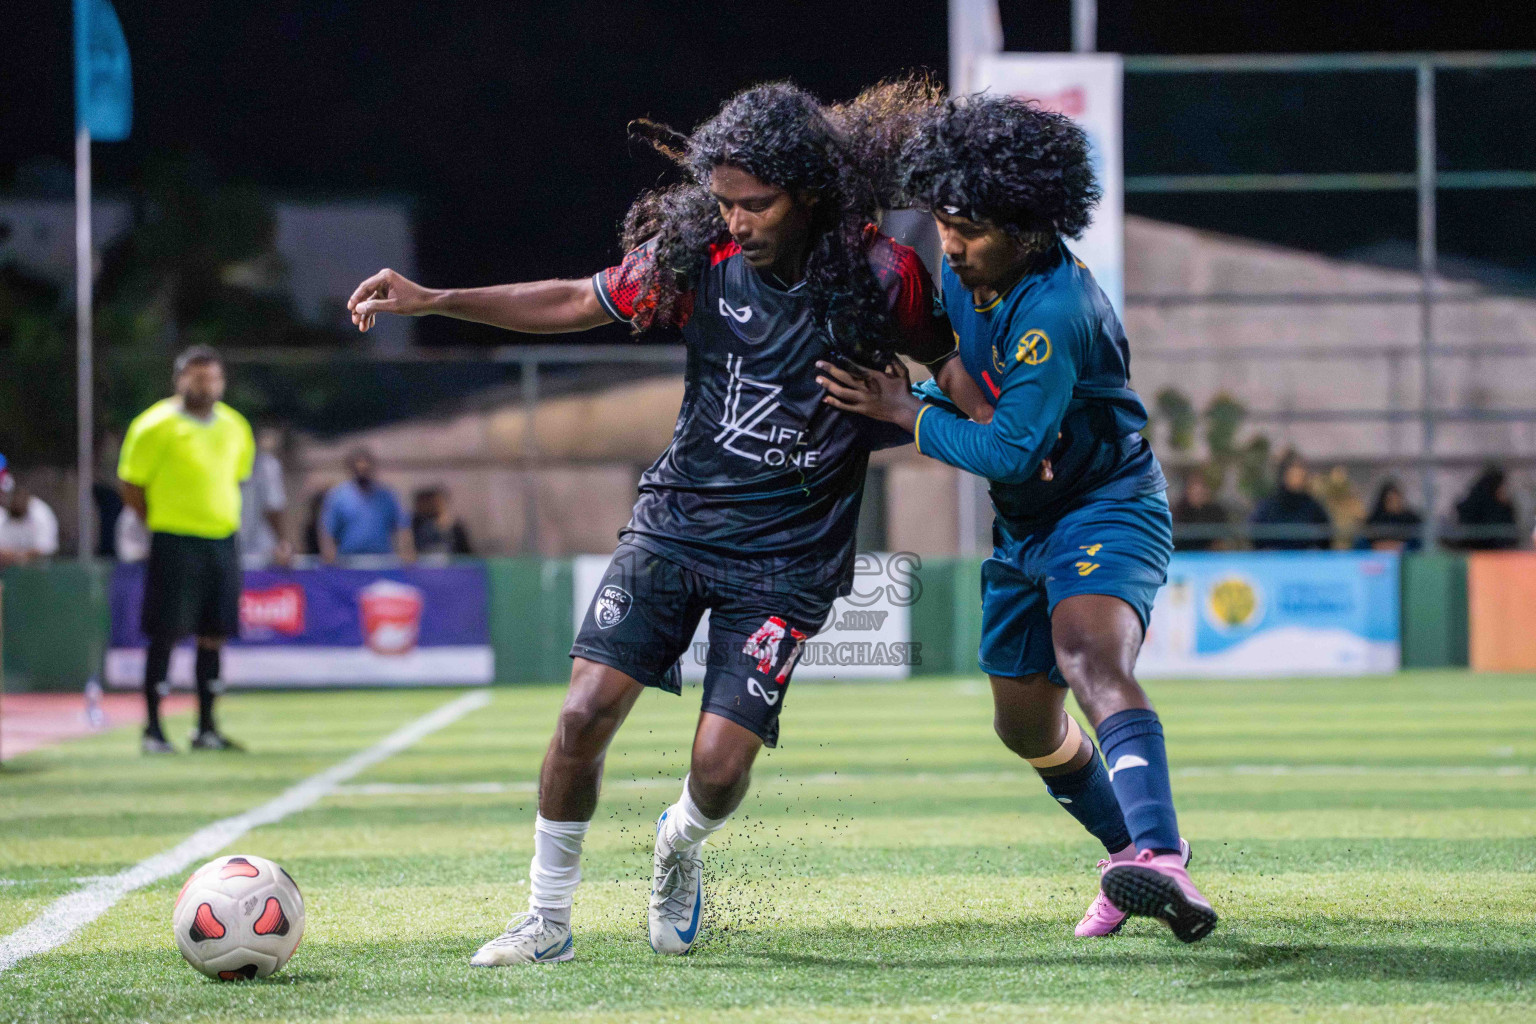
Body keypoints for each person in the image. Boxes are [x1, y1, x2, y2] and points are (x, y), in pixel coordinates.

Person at [347, 82, 972, 965]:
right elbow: (571, 300)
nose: (738, 219)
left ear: (812, 193)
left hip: (789, 559)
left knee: (719, 770)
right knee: (582, 714)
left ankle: (676, 844)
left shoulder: (884, 275)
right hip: (674, 528)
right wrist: (433, 298)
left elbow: (955, 370)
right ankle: (547, 922)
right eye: (724, 201)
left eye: (758, 203)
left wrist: (948, 418)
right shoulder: (697, 257)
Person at [818, 93, 1217, 942]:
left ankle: (1159, 856)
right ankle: (1134, 856)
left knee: (1087, 656)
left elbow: (1004, 452)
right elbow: (971, 386)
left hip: (1104, 506)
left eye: (971, 228)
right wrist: (939, 388)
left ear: (1031, 225)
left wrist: (906, 410)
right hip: (1024, 525)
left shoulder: (1053, 310)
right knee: (1022, 725)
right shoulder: (966, 274)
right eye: (944, 221)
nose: (952, 243)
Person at [118, 346, 255, 754]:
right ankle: (154, 730)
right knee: (165, 632)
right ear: (179, 379)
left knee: (214, 633)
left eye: (212, 377)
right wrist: (157, 519)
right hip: (174, 540)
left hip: (221, 540)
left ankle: (207, 728)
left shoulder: (235, 426)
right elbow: (131, 484)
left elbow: (236, 478)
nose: (205, 385)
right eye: (197, 377)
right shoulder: (153, 425)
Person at [318, 448, 412, 561]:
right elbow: (326, 529)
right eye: (358, 467)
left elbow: (402, 526)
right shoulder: (337, 496)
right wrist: (329, 555)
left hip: (383, 562)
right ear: (351, 468)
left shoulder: (387, 496)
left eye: (366, 467)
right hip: (348, 562)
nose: (362, 470)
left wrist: (407, 552)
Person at [1249, 452, 1332, 550]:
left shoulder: (1313, 507)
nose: (1296, 479)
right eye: (1293, 474)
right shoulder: (1268, 506)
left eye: (1300, 475)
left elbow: (1326, 536)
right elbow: (1255, 533)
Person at [238, 427, 292, 568]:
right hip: (262, 553)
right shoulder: (267, 465)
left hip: (228, 550)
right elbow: (274, 507)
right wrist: (283, 541)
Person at [0, 470, 59, 566]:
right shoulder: (3, 513)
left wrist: (21, 556)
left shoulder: (41, 513)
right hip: (6, 568)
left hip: (39, 569)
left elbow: (46, 548)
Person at [1455, 466, 1518, 550]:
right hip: (1480, 552)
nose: (1505, 490)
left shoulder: (1503, 507)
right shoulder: (1479, 505)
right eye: (1502, 487)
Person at [1171, 471, 1230, 552]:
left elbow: (1221, 537)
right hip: (1184, 555)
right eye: (1194, 491)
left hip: (1210, 556)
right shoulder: (1179, 510)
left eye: (1201, 491)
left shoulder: (1216, 511)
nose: (1198, 494)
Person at [1362, 479, 1422, 551]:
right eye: (1390, 500)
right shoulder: (1375, 518)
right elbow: (1367, 538)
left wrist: (1401, 546)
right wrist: (1381, 546)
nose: (1394, 503)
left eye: (1397, 499)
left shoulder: (1412, 519)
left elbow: (1417, 540)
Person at [411, 486, 472, 556]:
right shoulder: (414, 524)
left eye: (437, 502)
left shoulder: (456, 527)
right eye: (426, 502)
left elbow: (467, 553)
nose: (432, 505)